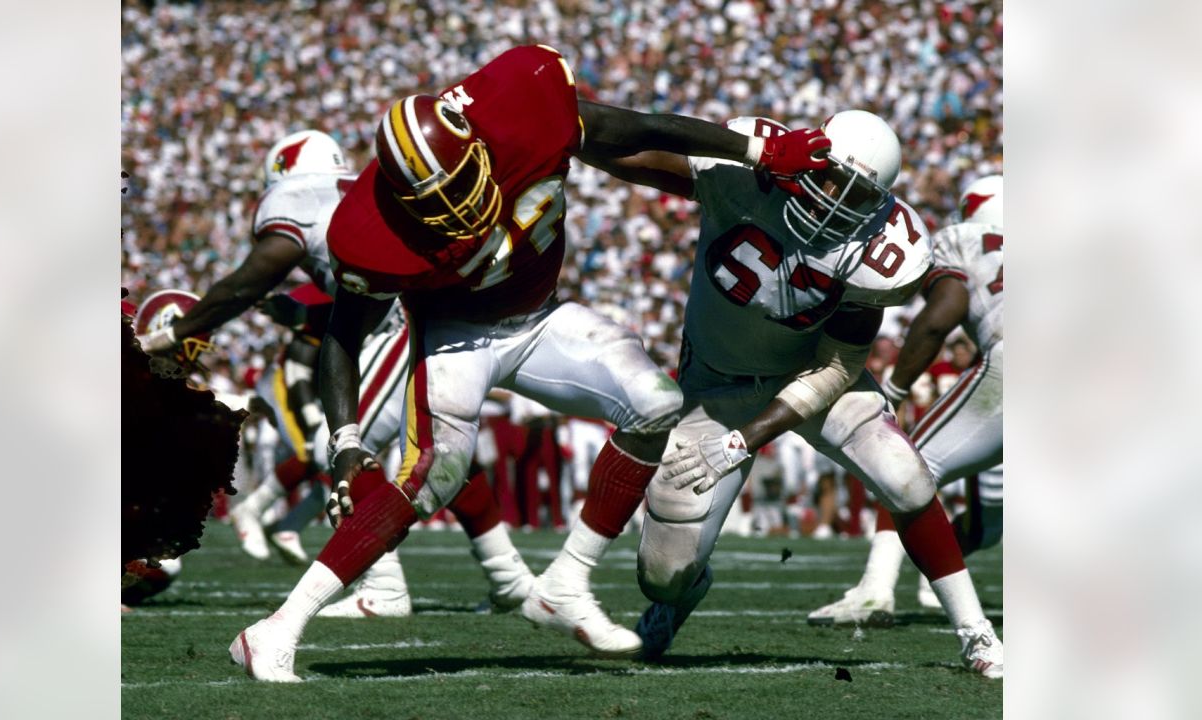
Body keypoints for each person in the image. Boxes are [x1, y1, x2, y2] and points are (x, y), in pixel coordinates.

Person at [228, 44, 831, 682]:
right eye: (435, 201)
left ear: (477, 146)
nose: (459, 207)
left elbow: (634, 125)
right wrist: (345, 439)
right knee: (430, 475)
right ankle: (275, 630)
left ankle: (566, 582)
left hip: (540, 318)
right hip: (456, 335)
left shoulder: (525, 105)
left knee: (655, 402)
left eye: (460, 183)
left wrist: (759, 152)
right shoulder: (369, 232)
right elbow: (340, 333)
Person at [587, 111, 1004, 678]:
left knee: (906, 475)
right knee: (662, 573)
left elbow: (837, 366)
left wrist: (748, 439)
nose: (834, 198)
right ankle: (685, 594)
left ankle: (976, 634)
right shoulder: (746, 173)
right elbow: (635, 149)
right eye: (831, 177)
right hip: (715, 383)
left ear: (879, 200)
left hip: (810, 375)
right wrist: (567, 136)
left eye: (856, 192)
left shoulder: (884, 254)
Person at [138, 130, 535, 617]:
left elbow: (257, 274)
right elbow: (346, 310)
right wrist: (301, 318)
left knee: (349, 442)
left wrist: (184, 328)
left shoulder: (297, 196)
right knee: (437, 450)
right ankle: (508, 575)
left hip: (401, 321)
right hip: (428, 313)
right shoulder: (357, 185)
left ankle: (382, 585)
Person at [809, 174, 1004, 625]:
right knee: (991, 523)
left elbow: (940, 317)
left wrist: (896, 387)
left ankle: (875, 589)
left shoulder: (963, 238)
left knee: (906, 464)